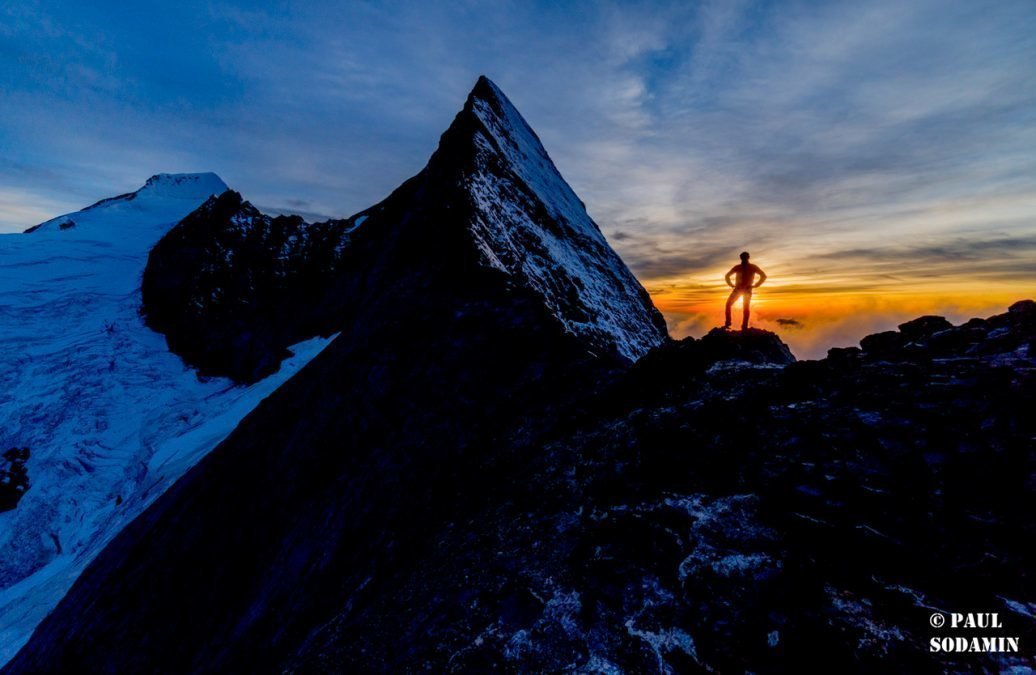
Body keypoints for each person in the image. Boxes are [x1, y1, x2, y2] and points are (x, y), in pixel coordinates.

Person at [724, 251, 767, 330]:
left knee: (739, 306)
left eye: (744, 257)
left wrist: (757, 284)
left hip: (742, 289)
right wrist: (757, 285)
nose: (743, 259)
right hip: (744, 289)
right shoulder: (749, 267)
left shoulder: (740, 267)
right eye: (743, 257)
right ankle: (740, 325)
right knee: (743, 307)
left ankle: (733, 324)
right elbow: (763, 276)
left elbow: (727, 276)